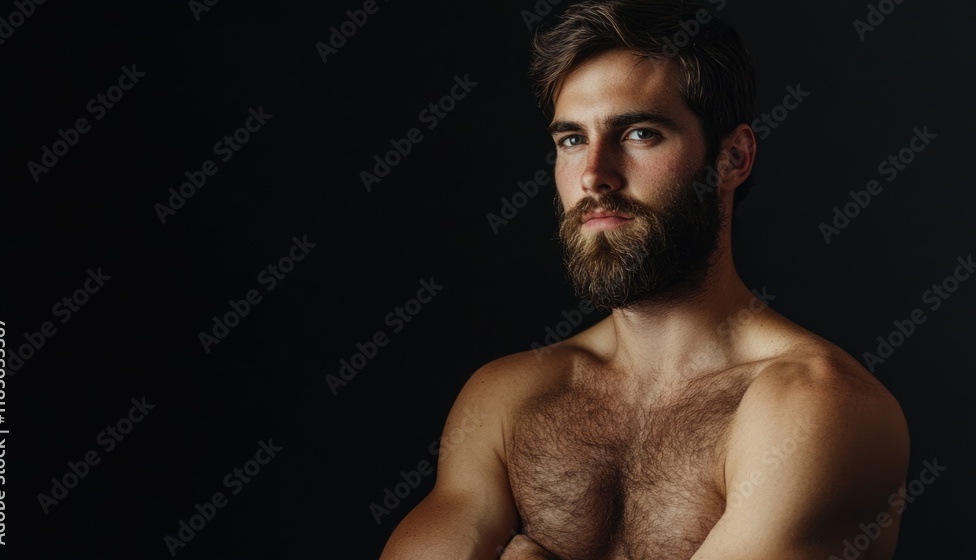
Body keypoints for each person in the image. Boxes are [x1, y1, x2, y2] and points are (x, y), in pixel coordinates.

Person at [379, 1, 909, 558]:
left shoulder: (818, 407)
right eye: (572, 140)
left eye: (639, 133)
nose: (594, 175)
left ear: (733, 158)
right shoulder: (507, 398)